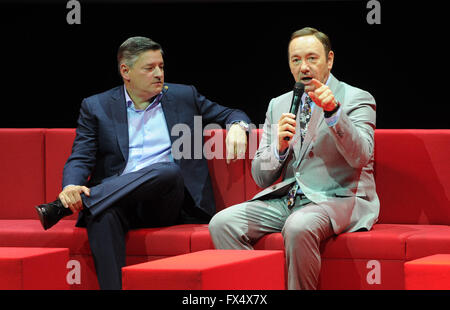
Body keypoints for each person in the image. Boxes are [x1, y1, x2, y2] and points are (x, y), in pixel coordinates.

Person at [35, 36, 251, 290]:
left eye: (161, 66)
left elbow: (231, 113)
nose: (159, 73)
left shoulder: (183, 96)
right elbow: (81, 156)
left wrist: (238, 126)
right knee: (101, 215)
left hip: (167, 201)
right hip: (119, 200)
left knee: (167, 171)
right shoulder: (97, 106)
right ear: (125, 71)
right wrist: (70, 186)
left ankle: (71, 204)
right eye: (150, 68)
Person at [209, 27, 379, 290]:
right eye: (296, 60)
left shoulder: (355, 97)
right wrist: (278, 148)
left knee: (298, 226)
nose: (304, 67)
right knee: (222, 224)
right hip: (288, 199)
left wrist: (334, 113)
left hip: (340, 198)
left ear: (329, 60)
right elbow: (261, 176)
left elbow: (361, 156)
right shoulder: (278, 104)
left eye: (312, 58)